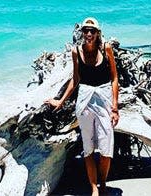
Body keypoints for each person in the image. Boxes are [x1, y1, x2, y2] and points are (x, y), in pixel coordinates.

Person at [46, 17, 120, 196]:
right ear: (82, 33)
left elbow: (114, 78)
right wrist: (60, 100)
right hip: (85, 101)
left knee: (106, 148)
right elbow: (76, 79)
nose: (88, 34)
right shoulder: (76, 51)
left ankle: (103, 184)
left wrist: (115, 108)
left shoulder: (106, 48)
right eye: (86, 30)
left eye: (92, 31)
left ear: (98, 33)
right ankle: (94, 187)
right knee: (88, 147)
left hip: (104, 99)